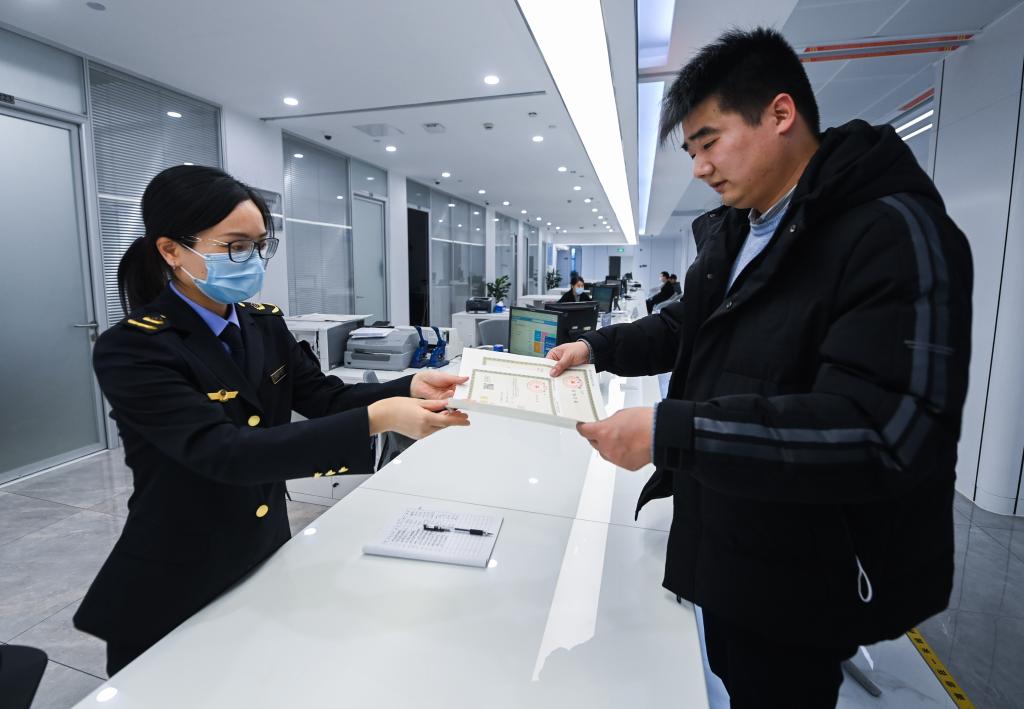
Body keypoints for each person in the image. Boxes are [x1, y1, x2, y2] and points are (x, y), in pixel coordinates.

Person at [547, 28, 971, 708]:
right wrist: (598, 348)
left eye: (709, 142)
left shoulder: (891, 234)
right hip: (730, 531)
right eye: (690, 151)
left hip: (806, 567)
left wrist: (670, 433)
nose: (699, 168)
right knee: (732, 672)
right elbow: (686, 327)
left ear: (780, 113)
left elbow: (878, 431)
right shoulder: (738, 230)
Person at [73, 165, 470, 676]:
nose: (253, 260)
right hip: (179, 569)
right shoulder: (134, 348)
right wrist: (379, 418)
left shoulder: (261, 323)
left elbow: (324, 397)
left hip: (263, 548)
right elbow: (224, 451)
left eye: (261, 245)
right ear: (171, 250)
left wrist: (407, 387)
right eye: (235, 247)